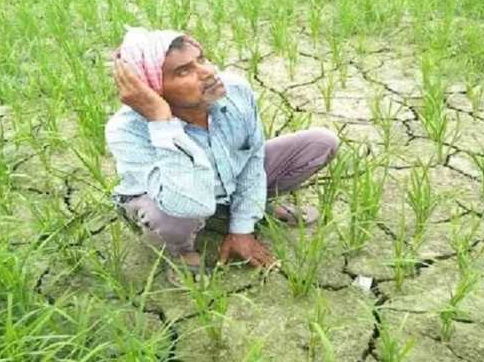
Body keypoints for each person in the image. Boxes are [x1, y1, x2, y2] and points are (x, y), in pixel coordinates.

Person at [105, 27, 340, 285]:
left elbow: (252, 159)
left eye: (202, 59)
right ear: (151, 89)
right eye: (183, 71)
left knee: (320, 143)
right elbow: (188, 203)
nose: (209, 72)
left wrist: (242, 228)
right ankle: (182, 251)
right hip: (169, 201)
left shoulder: (235, 91)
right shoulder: (126, 131)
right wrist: (161, 121)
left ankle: (241, 209)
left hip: (224, 181)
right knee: (175, 216)